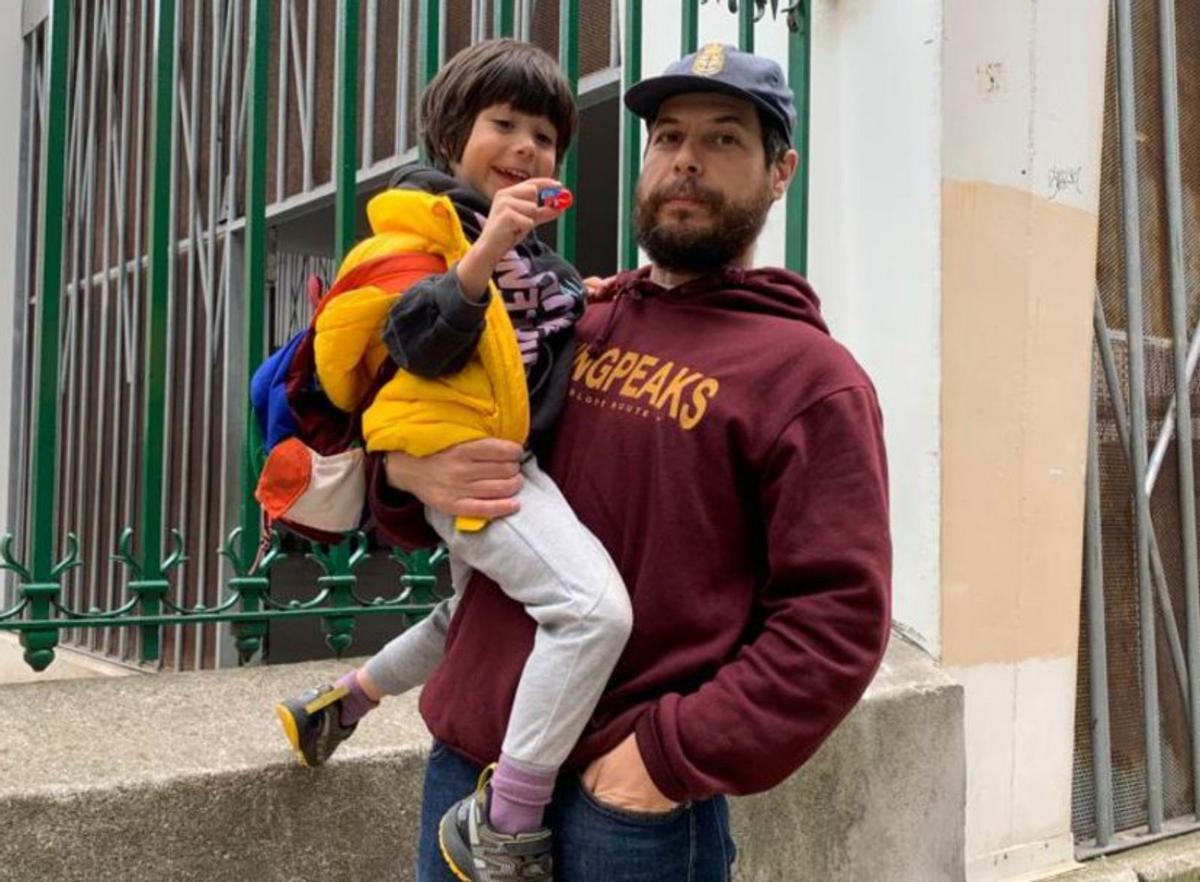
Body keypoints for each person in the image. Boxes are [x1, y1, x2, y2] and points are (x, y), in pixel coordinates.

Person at [375, 43, 893, 881]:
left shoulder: (810, 380)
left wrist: (662, 759)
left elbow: (835, 622)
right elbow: (430, 438)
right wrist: (404, 475)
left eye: (723, 138)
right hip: (468, 769)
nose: (686, 159)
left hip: (628, 813)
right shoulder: (569, 322)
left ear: (780, 172)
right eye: (668, 137)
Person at [274, 39, 633, 882]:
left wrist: (592, 293)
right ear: (450, 137)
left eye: (544, 136)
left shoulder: (532, 254)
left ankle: (343, 701)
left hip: (500, 460)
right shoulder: (415, 234)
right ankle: (505, 819)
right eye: (503, 124)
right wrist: (483, 252)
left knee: (471, 615)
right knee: (593, 613)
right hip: (461, 464)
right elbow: (414, 343)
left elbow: (547, 329)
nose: (525, 148)